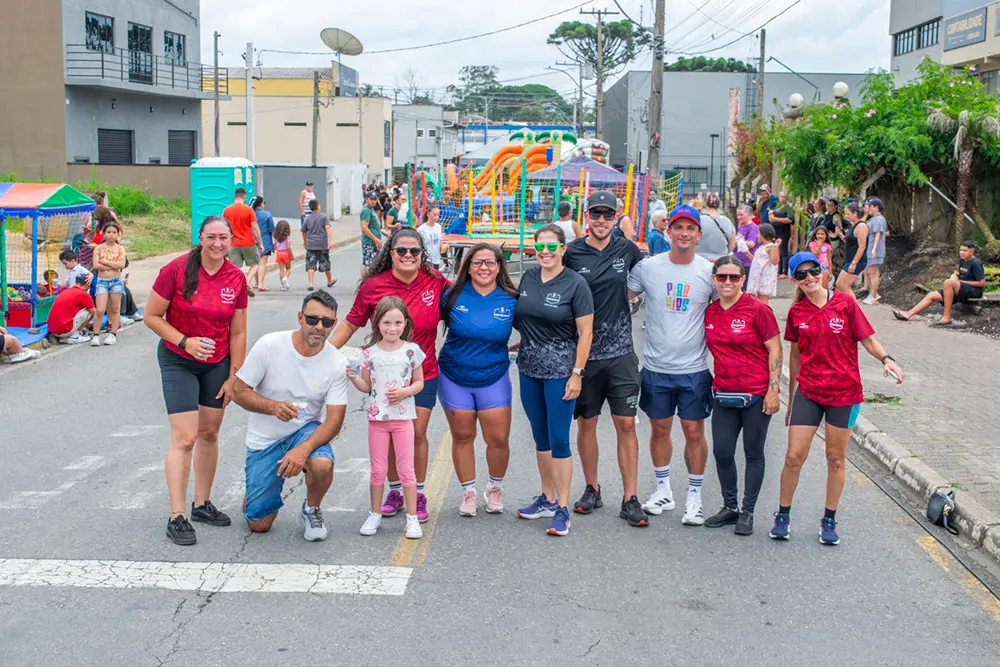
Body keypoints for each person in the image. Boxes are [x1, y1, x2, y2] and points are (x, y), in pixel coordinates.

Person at [771, 252, 903, 546]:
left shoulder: (845, 303)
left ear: (822, 272)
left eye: (813, 271)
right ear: (794, 280)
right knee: (794, 456)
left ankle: (829, 519)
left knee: (835, 457)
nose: (809, 278)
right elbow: (795, 357)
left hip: (844, 393)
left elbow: (867, 339)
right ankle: (783, 515)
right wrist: (791, 399)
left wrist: (887, 359)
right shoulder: (796, 313)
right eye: (801, 274)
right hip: (809, 391)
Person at [331, 228, 451, 522]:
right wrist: (323, 355)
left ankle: (417, 493)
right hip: (384, 377)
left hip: (423, 373)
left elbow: (465, 298)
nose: (408, 255)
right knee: (395, 435)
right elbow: (351, 324)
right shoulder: (374, 286)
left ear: (422, 254)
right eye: (402, 250)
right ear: (391, 253)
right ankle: (396, 491)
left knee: (416, 433)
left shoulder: (434, 280)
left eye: (414, 251)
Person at [145, 216, 249, 546]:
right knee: (185, 437)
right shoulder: (176, 270)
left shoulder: (236, 278)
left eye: (224, 238)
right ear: (200, 238)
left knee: (209, 432)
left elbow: (238, 332)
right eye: (211, 237)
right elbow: (151, 316)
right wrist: (184, 341)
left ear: (231, 241)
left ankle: (202, 503)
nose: (218, 244)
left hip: (217, 362)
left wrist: (234, 376)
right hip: (178, 359)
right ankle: (177, 516)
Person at [232, 291, 349, 541]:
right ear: (300, 317)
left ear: (334, 324)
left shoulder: (336, 362)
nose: (319, 327)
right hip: (265, 439)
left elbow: (334, 420)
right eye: (312, 319)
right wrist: (272, 407)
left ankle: (312, 509)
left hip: (303, 431)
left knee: (322, 463)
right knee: (259, 524)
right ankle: (257, 490)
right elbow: (238, 391)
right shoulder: (270, 345)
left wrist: (303, 450)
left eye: (327, 322)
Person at [627, 204, 715, 525]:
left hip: (694, 369)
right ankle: (663, 490)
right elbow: (621, 296)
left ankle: (695, 497)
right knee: (659, 429)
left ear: (698, 234)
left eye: (690, 228)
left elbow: (728, 308)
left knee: (694, 432)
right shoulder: (649, 268)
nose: (684, 233)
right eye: (678, 227)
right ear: (668, 231)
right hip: (656, 367)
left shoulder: (709, 272)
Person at [563, 190, 646, 526]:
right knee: (587, 422)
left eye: (607, 215)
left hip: (621, 352)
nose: (601, 220)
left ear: (616, 218)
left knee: (626, 424)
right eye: (595, 214)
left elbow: (647, 280)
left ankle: (630, 497)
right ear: (586, 217)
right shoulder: (572, 252)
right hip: (585, 355)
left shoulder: (627, 249)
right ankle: (592, 488)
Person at [514, 224, 594, 536]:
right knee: (541, 437)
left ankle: (562, 507)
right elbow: (525, 318)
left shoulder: (576, 284)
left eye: (551, 247)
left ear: (563, 249)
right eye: (540, 247)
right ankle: (546, 498)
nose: (545, 252)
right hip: (528, 369)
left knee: (559, 439)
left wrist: (577, 373)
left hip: (560, 371)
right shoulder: (529, 277)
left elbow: (586, 333)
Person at [703, 256, 782, 536]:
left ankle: (747, 512)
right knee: (722, 451)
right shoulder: (710, 312)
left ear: (742, 280)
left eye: (733, 277)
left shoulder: (758, 309)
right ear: (714, 279)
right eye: (722, 277)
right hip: (724, 392)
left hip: (756, 394)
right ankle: (730, 506)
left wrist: (773, 391)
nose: (727, 282)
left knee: (753, 452)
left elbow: (775, 348)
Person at [438, 244, 518, 516]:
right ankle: (468, 492)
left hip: (494, 376)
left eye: (490, 262)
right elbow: (421, 321)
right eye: (477, 262)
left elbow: (538, 327)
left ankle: (495, 487)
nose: (484, 267)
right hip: (454, 376)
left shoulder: (512, 299)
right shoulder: (451, 295)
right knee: (462, 436)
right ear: (468, 267)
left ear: (499, 266)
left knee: (498, 439)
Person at [348, 296, 425, 539]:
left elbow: (419, 382)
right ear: (377, 323)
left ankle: (412, 518)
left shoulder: (412, 351)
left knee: (407, 470)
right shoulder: (369, 353)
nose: (392, 328)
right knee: (378, 470)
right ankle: (374, 513)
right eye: (387, 323)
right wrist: (353, 377)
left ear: (406, 323)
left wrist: (405, 392)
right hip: (377, 421)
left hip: (403, 419)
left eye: (398, 323)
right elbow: (366, 386)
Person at [893, 240, 986, 326]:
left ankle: (947, 317)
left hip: (974, 291)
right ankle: (908, 314)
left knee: (948, 283)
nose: (962, 252)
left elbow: (982, 283)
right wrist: (955, 276)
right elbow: (962, 275)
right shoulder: (962, 260)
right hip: (962, 289)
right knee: (931, 295)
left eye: (965, 250)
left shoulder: (976, 263)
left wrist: (958, 281)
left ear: (972, 251)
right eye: (961, 250)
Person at [90, 221, 126, 347]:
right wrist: (112, 265)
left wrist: (105, 262)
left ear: (117, 234)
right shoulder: (98, 248)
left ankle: (113, 333)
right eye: (108, 232)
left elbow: (121, 265)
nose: (111, 234)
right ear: (104, 234)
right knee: (100, 309)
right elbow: (96, 265)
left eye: (114, 232)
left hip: (116, 281)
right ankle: (96, 334)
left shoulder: (120, 249)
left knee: (115, 309)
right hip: (102, 282)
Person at [223, 188, 263, 298]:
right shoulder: (249, 210)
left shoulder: (227, 211)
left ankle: (236, 286)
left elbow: (223, 228)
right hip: (248, 242)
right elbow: (255, 228)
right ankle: (246, 283)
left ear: (234, 196)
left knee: (235, 267)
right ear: (244, 197)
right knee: (255, 264)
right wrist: (260, 243)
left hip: (233, 243)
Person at [47, 273, 96, 344]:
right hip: (64, 330)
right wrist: (94, 326)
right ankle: (75, 335)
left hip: (52, 329)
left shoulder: (66, 291)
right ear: (87, 284)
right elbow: (95, 313)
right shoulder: (83, 294)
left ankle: (64, 338)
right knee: (89, 311)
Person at [300, 199, 336, 291]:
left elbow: (304, 232)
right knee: (325, 263)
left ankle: (311, 283)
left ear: (310, 208)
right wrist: (330, 240)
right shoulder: (324, 217)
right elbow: (327, 228)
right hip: (322, 244)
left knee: (310, 264)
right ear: (318, 206)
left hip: (311, 244)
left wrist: (305, 242)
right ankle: (330, 280)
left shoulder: (307, 218)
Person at [836, 202, 869, 296]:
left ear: (855, 213)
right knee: (839, 284)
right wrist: (841, 235)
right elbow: (850, 242)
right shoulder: (853, 225)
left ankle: (853, 305)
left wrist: (854, 263)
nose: (846, 216)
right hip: (850, 259)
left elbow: (862, 246)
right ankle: (847, 304)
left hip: (857, 261)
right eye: (845, 214)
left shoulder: (861, 226)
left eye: (848, 214)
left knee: (845, 286)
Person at [746, 223, 780, 305]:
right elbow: (756, 260)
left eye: (758, 233)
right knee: (758, 299)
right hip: (758, 276)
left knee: (763, 299)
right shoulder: (762, 247)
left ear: (764, 234)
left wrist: (776, 247)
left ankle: (765, 313)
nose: (757, 236)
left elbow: (775, 261)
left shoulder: (772, 247)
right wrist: (746, 252)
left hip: (765, 277)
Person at [862, 197, 888, 305]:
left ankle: (873, 296)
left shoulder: (879, 219)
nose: (868, 208)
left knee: (873, 272)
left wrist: (874, 249)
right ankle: (873, 293)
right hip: (870, 249)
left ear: (876, 207)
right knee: (867, 271)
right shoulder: (873, 219)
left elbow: (878, 234)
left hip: (875, 250)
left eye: (870, 206)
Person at [696, 193, 736, 261]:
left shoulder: (699, 220)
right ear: (719, 206)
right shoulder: (728, 222)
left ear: (706, 204)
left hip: (700, 259)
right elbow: (731, 246)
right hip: (721, 261)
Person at [250, 196, 275, 292]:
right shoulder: (267, 214)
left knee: (255, 263)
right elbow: (272, 228)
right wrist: (275, 241)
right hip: (265, 240)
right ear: (261, 204)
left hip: (252, 241)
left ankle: (256, 283)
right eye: (264, 202)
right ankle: (261, 284)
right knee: (262, 263)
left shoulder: (250, 214)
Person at [768, 191, 795, 277]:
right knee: (777, 251)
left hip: (784, 232)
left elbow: (790, 220)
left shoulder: (788, 208)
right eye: (781, 196)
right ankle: (779, 271)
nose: (782, 198)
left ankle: (784, 272)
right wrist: (773, 216)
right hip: (776, 232)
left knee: (783, 251)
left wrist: (776, 219)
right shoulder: (777, 207)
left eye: (784, 197)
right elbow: (770, 218)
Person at [359, 190, 384, 279]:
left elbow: (373, 225)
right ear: (366, 199)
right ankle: (368, 281)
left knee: (366, 261)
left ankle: (364, 281)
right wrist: (375, 239)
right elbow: (364, 227)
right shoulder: (366, 210)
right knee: (370, 263)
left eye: (375, 199)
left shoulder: (371, 209)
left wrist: (383, 232)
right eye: (371, 199)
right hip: (369, 241)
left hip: (372, 241)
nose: (373, 201)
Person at [732, 204, 759, 271]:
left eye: (741, 215)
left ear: (749, 214)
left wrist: (737, 241)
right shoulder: (741, 226)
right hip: (738, 261)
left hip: (747, 263)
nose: (738, 217)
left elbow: (751, 244)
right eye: (737, 215)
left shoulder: (753, 228)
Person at [418, 203, 444, 270]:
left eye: (438, 215)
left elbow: (439, 241)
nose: (437, 217)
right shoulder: (421, 229)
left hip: (437, 259)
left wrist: (442, 245)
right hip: (427, 259)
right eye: (435, 215)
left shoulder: (438, 227)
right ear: (428, 214)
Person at [272, 220, 294, 291]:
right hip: (286, 253)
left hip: (279, 253)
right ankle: (285, 278)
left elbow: (274, 247)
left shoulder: (276, 236)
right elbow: (288, 247)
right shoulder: (287, 236)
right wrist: (291, 255)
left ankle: (282, 286)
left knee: (281, 270)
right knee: (288, 269)